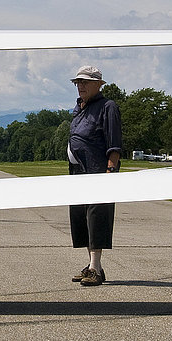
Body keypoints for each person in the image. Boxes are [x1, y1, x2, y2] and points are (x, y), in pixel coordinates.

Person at [67, 66, 122, 286]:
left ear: (98, 85)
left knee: (96, 217)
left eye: (85, 82)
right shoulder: (79, 107)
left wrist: (110, 171)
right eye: (78, 82)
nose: (80, 86)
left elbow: (114, 144)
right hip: (79, 172)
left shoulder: (107, 107)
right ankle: (93, 266)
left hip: (98, 172)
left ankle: (95, 269)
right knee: (83, 219)